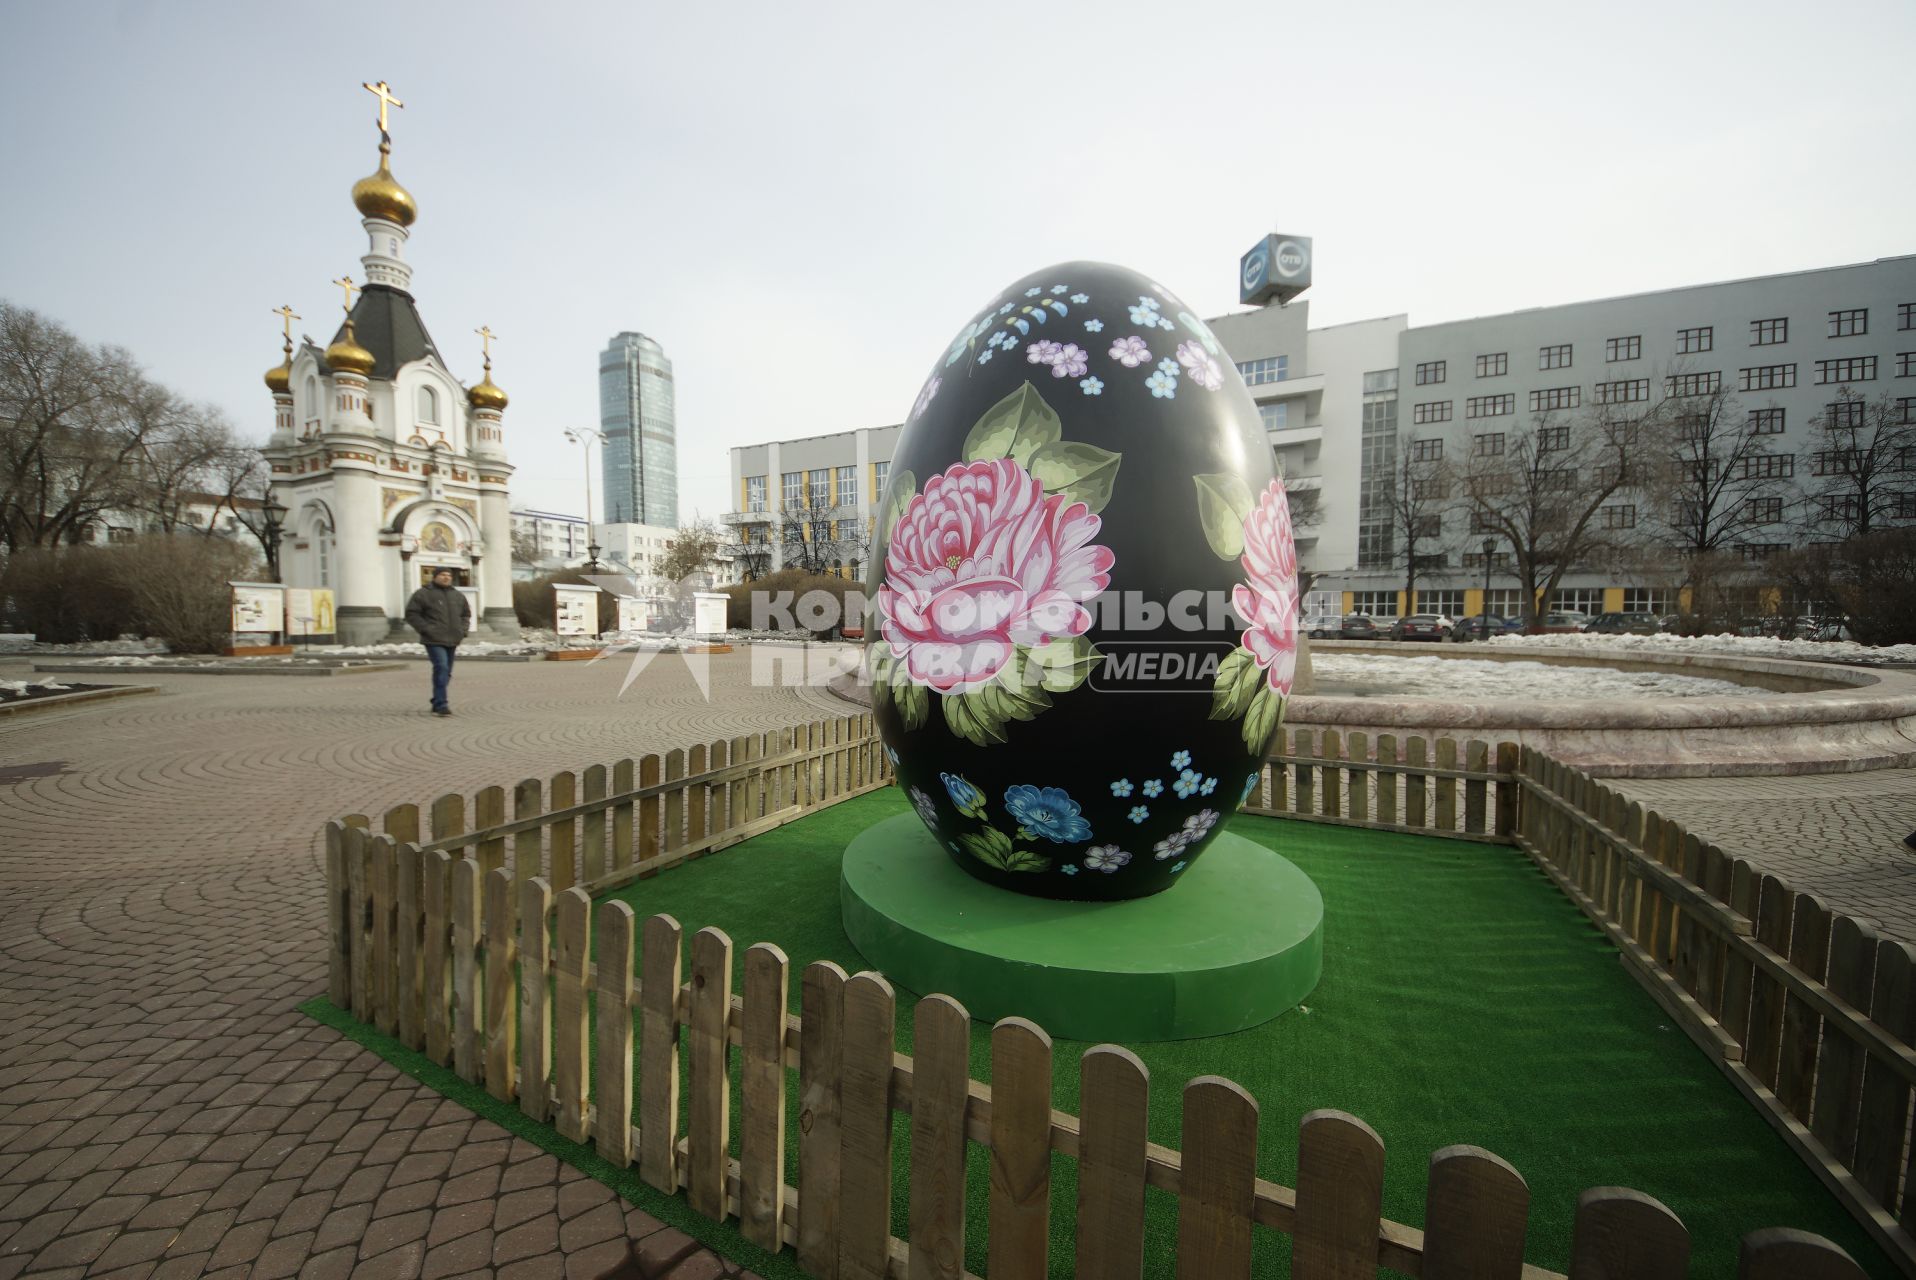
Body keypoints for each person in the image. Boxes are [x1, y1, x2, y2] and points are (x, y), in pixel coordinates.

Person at [405, 568, 471, 716]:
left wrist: (463, 630)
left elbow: (466, 614)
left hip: (453, 638)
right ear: (435, 577)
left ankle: (436, 700)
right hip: (433, 639)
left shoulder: (458, 595)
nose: (446, 578)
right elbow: (411, 613)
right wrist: (426, 629)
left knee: (446, 672)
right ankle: (442, 704)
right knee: (441, 667)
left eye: (449, 575)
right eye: (442, 575)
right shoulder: (423, 594)